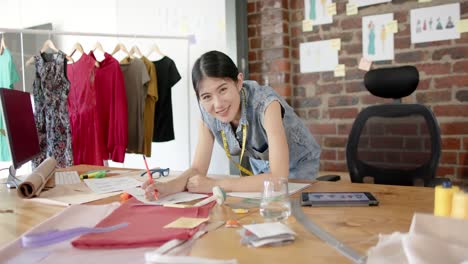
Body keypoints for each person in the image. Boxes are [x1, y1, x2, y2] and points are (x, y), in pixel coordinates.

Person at [143, 50, 320, 200]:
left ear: (239, 81)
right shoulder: (207, 112)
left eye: (223, 89)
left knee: (290, 211)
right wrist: (167, 187)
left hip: (297, 165)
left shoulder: (267, 104)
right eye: (206, 96)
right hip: (262, 168)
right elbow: (198, 169)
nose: (218, 104)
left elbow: (277, 178)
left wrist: (216, 184)